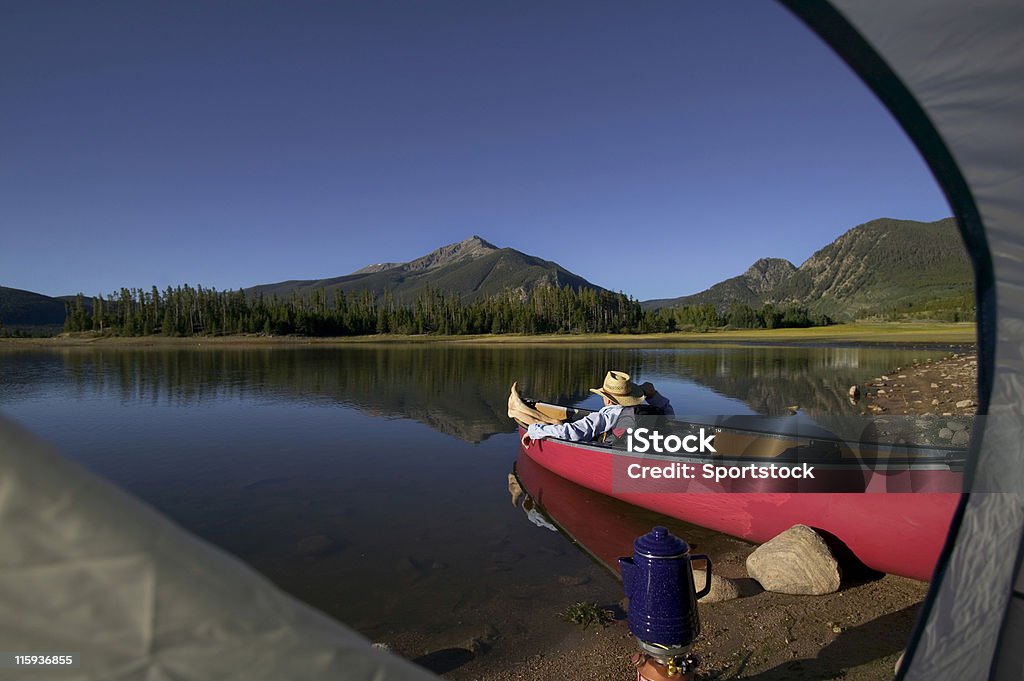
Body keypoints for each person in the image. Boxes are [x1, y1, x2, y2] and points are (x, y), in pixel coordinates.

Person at [521, 370, 672, 447]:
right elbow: (669, 414)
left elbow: (571, 433)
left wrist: (534, 430)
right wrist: (654, 395)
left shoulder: (605, 417)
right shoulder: (646, 411)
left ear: (607, 399)